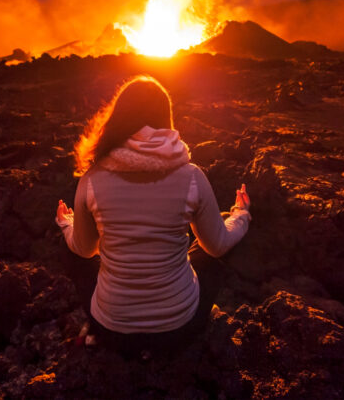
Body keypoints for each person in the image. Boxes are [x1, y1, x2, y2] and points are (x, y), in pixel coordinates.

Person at [56, 75, 251, 357]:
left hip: (112, 331)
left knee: (71, 249)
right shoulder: (192, 176)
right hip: (179, 329)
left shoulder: (92, 180)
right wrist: (240, 214)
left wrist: (66, 224)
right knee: (213, 247)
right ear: (165, 118)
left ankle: (98, 330)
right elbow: (218, 245)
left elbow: (86, 250)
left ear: (119, 118)